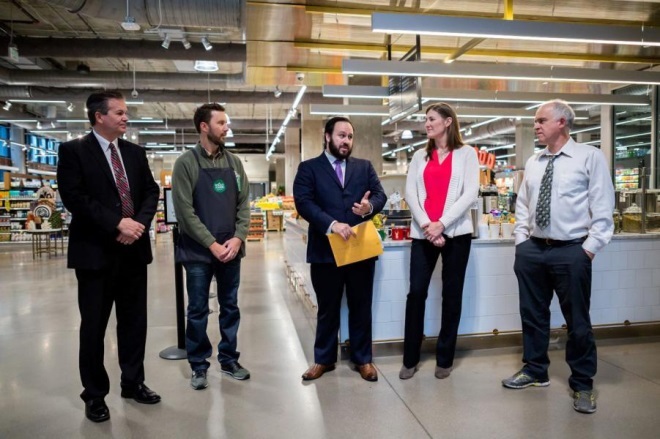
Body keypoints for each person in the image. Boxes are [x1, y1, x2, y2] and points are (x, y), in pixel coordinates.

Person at [501, 99, 615, 414]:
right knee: (532, 314)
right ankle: (535, 370)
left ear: (562, 122)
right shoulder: (534, 161)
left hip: (571, 250)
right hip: (533, 250)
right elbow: (523, 204)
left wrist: (588, 249)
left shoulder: (589, 157)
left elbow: (603, 207)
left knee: (577, 320)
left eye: (541, 120)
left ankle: (583, 383)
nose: (535, 126)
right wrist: (522, 242)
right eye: (536, 121)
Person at [57, 90, 161, 423]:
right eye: (118, 112)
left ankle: (133, 383)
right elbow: (74, 197)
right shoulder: (73, 151)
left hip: (133, 251)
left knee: (134, 324)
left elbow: (151, 191)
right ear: (99, 116)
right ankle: (94, 394)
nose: (125, 117)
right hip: (95, 254)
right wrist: (117, 222)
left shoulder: (134, 152)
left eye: (125, 112)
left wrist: (137, 225)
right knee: (94, 327)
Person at [293, 116, 387, 382]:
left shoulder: (364, 167)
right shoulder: (309, 168)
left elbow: (380, 195)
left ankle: (363, 359)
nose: (346, 141)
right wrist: (331, 224)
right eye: (341, 136)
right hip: (325, 251)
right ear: (327, 136)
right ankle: (323, 359)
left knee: (361, 306)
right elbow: (304, 202)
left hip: (359, 249)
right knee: (327, 308)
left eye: (350, 137)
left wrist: (369, 207)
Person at [171, 103, 251, 390]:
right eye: (221, 123)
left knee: (230, 306)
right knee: (197, 309)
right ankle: (198, 364)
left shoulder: (234, 163)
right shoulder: (186, 163)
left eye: (226, 123)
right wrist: (212, 245)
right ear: (204, 127)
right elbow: (185, 212)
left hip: (231, 249)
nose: (226, 128)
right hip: (198, 251)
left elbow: (244, 204)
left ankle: (229, 359)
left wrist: (238, 237)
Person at [400, 103, 479, 380]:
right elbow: (410, 193)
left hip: (457, 234)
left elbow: (470, 193)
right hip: (423, 234)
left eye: (432, 119)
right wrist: (427, 225)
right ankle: (410, 358)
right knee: (416, 293)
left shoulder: (467, 154)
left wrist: (442, 224)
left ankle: (445, 359)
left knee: (452, 295)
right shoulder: (419, 156)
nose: (427, 124)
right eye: (426, 119)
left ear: (448, 122)